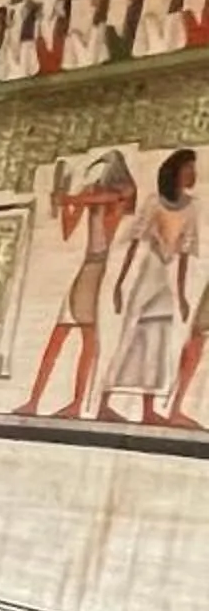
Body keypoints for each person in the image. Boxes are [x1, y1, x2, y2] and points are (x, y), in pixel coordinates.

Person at [19, 151, 135, 419]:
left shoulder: (120, 192)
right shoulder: (92, 194)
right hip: (86, 269)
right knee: (59, 336)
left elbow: (116, 197)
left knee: (87, 338)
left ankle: (77, 403)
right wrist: (64, 206)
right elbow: (68, 230)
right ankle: (34, 401)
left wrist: (73, 198)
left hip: (97, 271)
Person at [101, 147, 203, 428]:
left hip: (166, 282)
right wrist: (120, 283)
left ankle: (147, 408)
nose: (192, 174)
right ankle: (103, 403)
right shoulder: (154, 202)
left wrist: (182, 295)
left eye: (192, 169)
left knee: (157, 341)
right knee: (130, 335)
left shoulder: (192, 207)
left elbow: (184, 251)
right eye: (187, 169)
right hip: (148, 274)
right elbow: (135, 242)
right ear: (175, 172)